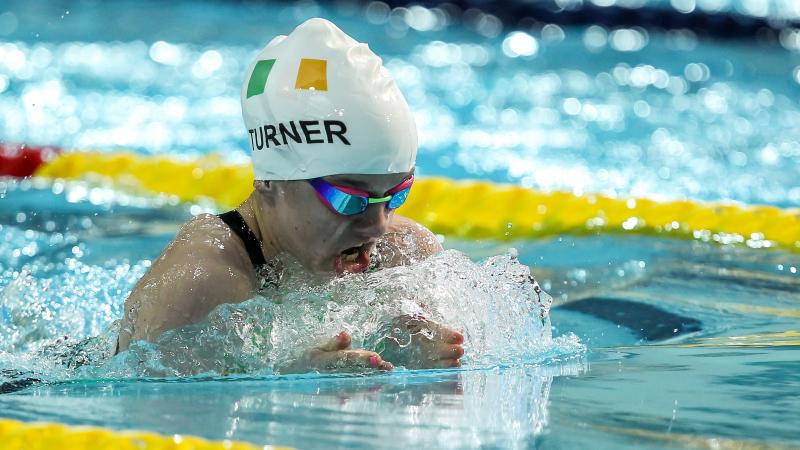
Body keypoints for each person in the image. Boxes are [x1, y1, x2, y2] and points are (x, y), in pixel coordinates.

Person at [116, 18, 465, 373]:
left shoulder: (404, 255)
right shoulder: (198, 284)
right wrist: (286, 380)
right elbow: (147, 412)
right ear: (271, 183)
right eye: (349, 199)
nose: (377, 226)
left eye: (395, 195)